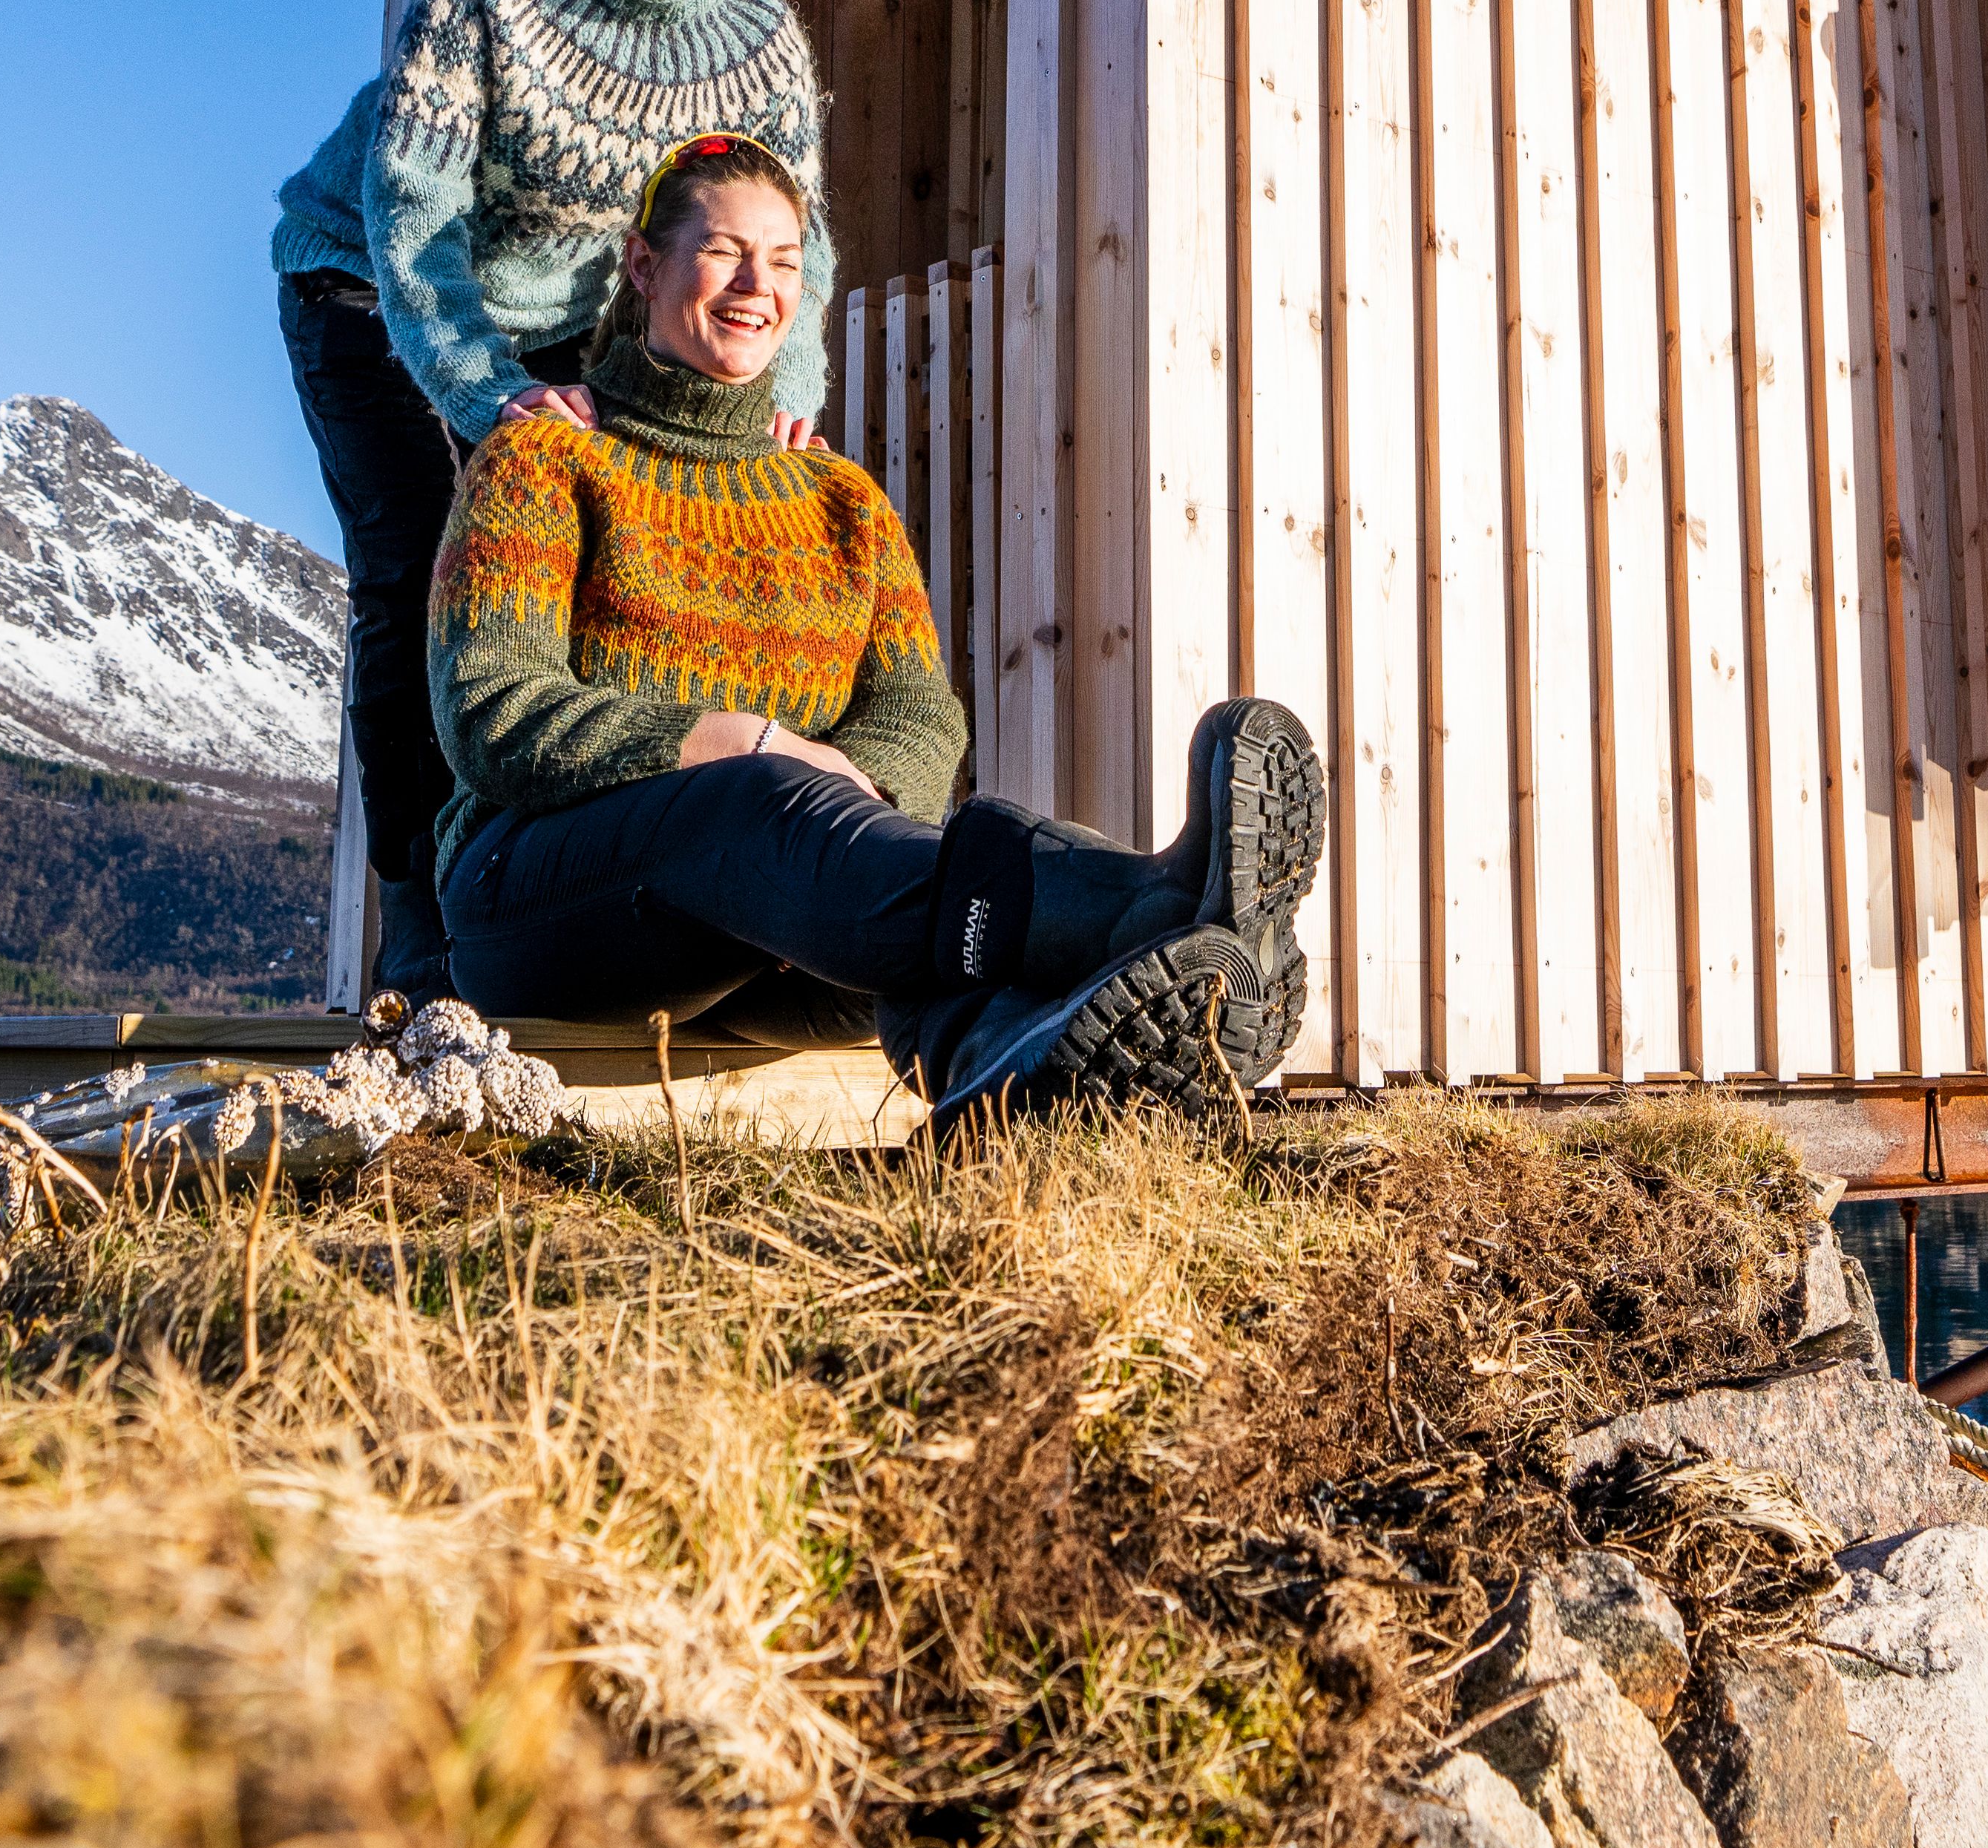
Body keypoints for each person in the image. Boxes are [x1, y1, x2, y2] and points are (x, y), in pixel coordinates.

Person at [429, 137, 1321, 1121]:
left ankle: (1004, 1056)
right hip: (545, 912)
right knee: (759, 801)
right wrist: (747, 743)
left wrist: (832, 829)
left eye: (782, 261)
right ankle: (1153, 911)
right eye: (724, 251)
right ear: (644, 266)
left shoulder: (839, 498)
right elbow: (493, 712)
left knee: (900, 896)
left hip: (785, 919)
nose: (755, 285)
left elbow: (919, 717)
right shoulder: (548, 457)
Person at [276, 0, 828, 1009]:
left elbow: (791, 226)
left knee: (584, 584)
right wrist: (482, 399)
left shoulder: (760, 45)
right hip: (372, 284)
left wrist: (783, 383)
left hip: (570, 332)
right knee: (422, 572)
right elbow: (412, 208)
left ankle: (552, 887)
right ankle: (420, 926)